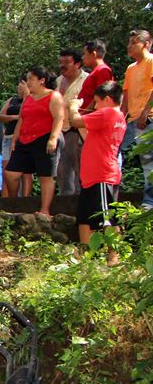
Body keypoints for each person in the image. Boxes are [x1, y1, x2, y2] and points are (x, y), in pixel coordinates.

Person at [67, 81, 127, 264]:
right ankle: (87, 256)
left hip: (102, 175)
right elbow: (87, 133)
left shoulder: (108, 113)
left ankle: (113, 257)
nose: (95, 107)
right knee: (85, 218)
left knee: (107, 218)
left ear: (107, 99)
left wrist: (73, 107)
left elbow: (75, 121)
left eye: (97, 102)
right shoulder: (116, 116)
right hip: (94, 176)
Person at [4, 67, 65, 218]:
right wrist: (14, 139)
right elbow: (22, 119)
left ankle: (45, 210)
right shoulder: (28, 99)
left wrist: (53, 138)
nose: (28, 82)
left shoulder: (54, 96)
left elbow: (59, 118)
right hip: (25, 140)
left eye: (31, 79)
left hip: (45, 138)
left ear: (42, 80)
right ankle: (15, 203)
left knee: (45, 176)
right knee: (11, 174)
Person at [121, 29, 153, 209]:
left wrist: (145, 112)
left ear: (146, 44)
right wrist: (119, 119)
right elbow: (125, 97)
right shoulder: (130, 68)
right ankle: (115, 192)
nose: (129, 46)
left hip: (148, 118)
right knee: (116, 151)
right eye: (129, 42)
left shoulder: (151, 61)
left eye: (134, 42)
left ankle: (149, 202)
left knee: (149, 161)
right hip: (131, 120)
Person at [55, 50, 89, 196]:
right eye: (61, 62)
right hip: (60, 131)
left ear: (77, 64)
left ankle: (81, 203)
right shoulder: (57, 81)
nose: (62, 66)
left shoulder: (86, 80)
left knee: (80, 168)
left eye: (67, 62)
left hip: (78, 131)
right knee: (62, 170)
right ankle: (64, 204)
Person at [0, 75, 31, 197]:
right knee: (6, 171)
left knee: (25, 172)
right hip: (8, 137)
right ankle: (7, 200)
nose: (20, 88)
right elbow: (0, 116)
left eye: (23, 86)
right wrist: (15, 117)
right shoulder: (12, 100)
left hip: (22, 137)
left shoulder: (30, 99)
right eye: (19, 86)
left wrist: (27, 95)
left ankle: (25, 199)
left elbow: (27, 115)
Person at [77, 40, 115, 111]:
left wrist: (83, 114)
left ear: (94, 54)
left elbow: (101, 97)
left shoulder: (103, 70)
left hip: (90, 117)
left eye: (84, 54)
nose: (82, 57)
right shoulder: (96, 71)